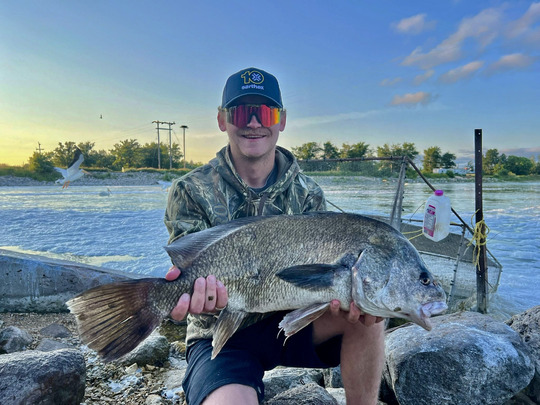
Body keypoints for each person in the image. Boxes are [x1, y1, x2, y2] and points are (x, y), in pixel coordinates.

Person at [164, 67, 385, 405]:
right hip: (222, 334)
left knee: (371, 313)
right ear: (223, 120)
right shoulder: (190, 191)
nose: (254, 122)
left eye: (265, 112)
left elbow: (321, 285)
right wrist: (187, 298)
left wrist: (352, 302)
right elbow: (192, 279)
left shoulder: (308, 195)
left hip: (294, 323)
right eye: (242, 112)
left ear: (281, 120)